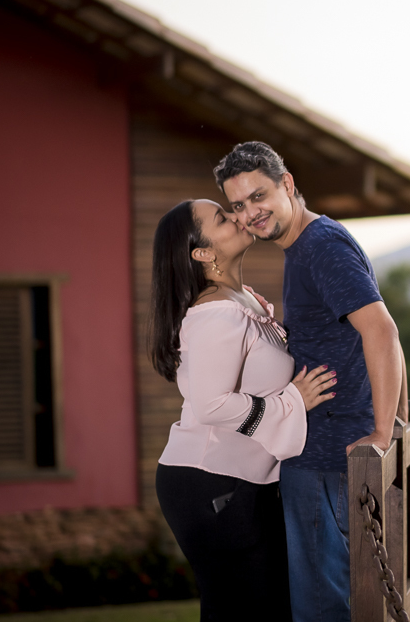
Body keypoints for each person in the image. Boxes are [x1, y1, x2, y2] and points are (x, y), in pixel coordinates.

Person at [214, 142, 409, 622]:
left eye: (258, 196)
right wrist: (398, 414)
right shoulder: (305, 246)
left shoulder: (320, 246)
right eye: (238, 205)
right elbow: (382, 330)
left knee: (320, 611)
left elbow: (382, 330)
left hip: (326, 457)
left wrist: (384, 430)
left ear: (287, 184)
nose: (250, 214)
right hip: (320, 454)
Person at [148, 198, 338, 621]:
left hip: (240, 481)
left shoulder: (242, 301)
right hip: (210, 481)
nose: (238, 217)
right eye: (222, 218)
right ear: (203, 253)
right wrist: (293, 401)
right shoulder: (216, 315)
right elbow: (210, 404)